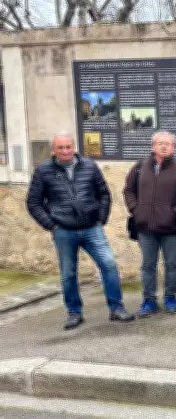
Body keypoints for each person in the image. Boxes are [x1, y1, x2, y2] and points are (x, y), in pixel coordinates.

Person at [26, 132, 135, 329]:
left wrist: (101, 219)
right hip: (63, 230)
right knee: (68, 273)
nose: (65, 151)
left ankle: (116, 308)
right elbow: (34, 203)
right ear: (53, 150)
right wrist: (51, 225)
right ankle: (74, 312)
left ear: (74, 147)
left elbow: (104, 194)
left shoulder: (89, 166)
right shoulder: (43, 170)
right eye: (60, 148)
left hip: (92, 228)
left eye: (68, 146)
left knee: (109, 265)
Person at [123, 131, 176, 317]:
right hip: (145, 228)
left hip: (170, 228)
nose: (164, 146)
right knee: (148, 266)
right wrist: (135, 209)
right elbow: (129, 190)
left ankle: (170, 298)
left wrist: (175, 213)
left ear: (173, 148)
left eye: (168, 144)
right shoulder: (139, 167)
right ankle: (149, 301)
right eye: (160, 143)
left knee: (172, 265)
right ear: (153, 146)